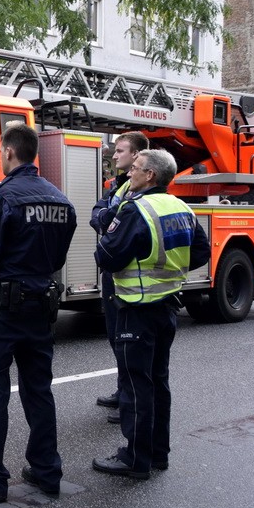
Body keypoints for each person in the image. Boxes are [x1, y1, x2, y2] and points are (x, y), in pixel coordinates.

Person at [0, 124, 77, 502]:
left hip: (5, 310)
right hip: (42, 306)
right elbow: (58, 258)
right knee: (38, 390)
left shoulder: (3, 197)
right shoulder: (61, 201)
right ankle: (47, 471)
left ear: (9, 153)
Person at [92, 149, 210, 479]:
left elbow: (107, 256)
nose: (130, 173)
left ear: (150, 176)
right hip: (168, 307)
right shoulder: (181, 207)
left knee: (135, 386)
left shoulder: (135, 209)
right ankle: (158, 453)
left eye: (137, 169)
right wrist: (168, 269)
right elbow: (200, 251)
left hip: (136, 310)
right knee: (158, 382)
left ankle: (134, 458)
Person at [89, 132, 149, 424]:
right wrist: (107, 216)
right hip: (116, 277)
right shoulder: (117, 185)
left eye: (120, 151)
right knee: (115, 336)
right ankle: (122, 390)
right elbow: (98, 213)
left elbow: (114, 219)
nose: (114, 155)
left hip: (132, 281)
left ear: (137, 155)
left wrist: (107, 217)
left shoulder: (140, 188)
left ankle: (129, 400)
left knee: (128, 341)